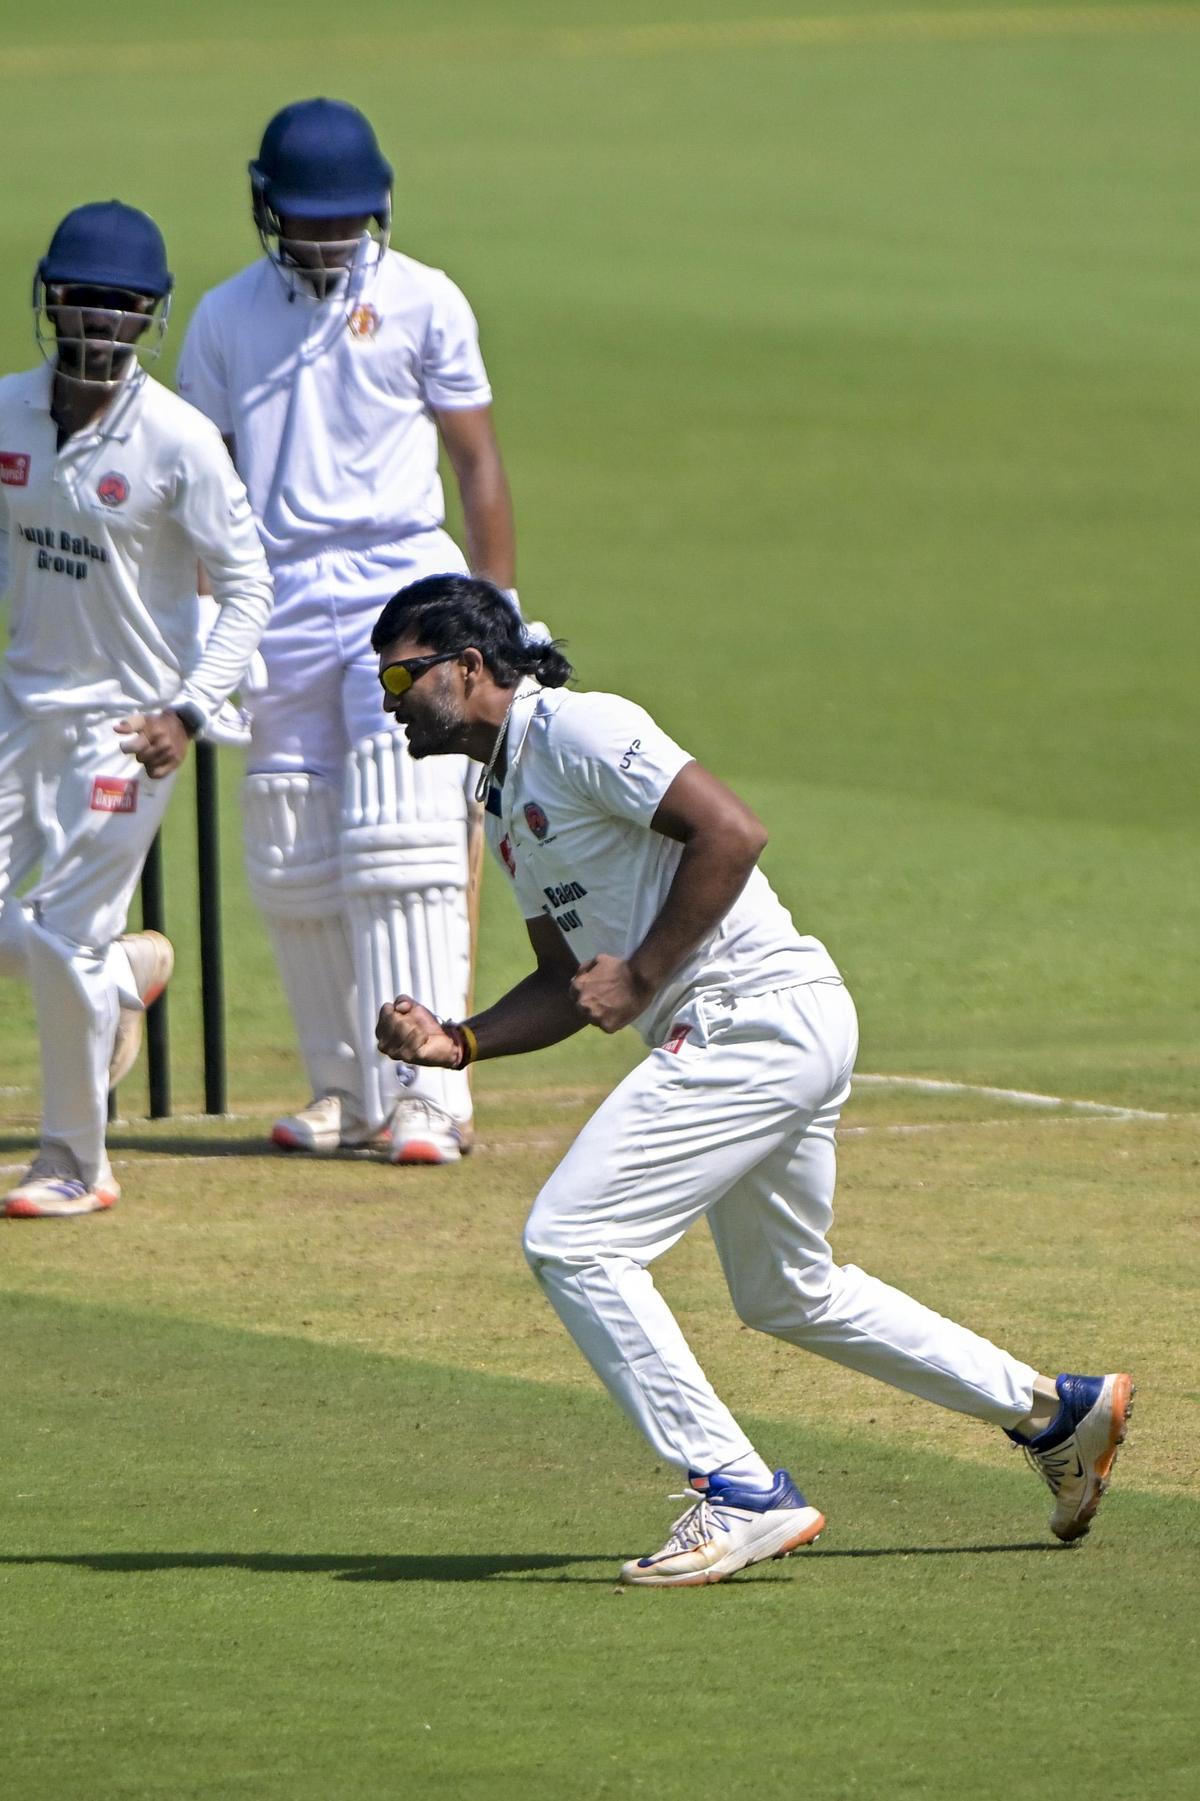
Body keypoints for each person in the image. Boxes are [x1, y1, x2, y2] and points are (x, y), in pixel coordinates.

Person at [370, 574, 1133, 1586]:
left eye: (400, 675)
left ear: (469, 667)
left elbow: (731, 831)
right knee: (787, 1289)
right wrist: (460, 1042)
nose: (388, 700)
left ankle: (737, 1490)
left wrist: (644, 973)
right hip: (764, 1028)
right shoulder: (503, 797)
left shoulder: (578, 728)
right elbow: (567, 979)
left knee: (574, 1239)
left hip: (753, 1017)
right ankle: (1054, 1414)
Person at [176, 97, 518, 1167]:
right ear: (266, 208)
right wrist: (203, 620)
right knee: (289, 843)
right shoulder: (226, 318)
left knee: (403, 842)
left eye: (346, 218)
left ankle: (429, 1094)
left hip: (405, 586)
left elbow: (476, 462)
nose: (328, 238)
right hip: (276, 589)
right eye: (308, 218)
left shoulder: (425, 299)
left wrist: (495, 610)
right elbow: (207, 486)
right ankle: (347, 1087)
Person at [0, 200, 273, 1219]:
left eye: (122, 304)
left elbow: (247, 585)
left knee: (64, 935)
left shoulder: (179, 440)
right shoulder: (6, 412)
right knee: (64, 950)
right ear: (52, 300)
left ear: (150, 313)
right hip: (21, 706)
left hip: (128, 725)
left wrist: (189, 712)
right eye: (83, 298)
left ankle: (76, 1162)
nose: (100, 320)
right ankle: (119, 979)